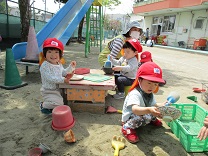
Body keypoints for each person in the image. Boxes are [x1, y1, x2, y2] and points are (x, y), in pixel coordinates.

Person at [121, 62, 166, 143]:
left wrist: (162, 104)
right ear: (140, 80)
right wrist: (149, 110)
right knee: (144, 115)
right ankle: (127, 128)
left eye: (155, 84)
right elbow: (135, 109)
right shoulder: (135, 93)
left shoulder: (149, 93)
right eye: (149, 83)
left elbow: (153, 104)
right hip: (131, 117)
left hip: (143, 113)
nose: (152, 87)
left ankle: (152, 119)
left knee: (154, 109)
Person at [39, 38, 76, 114]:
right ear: (45, 54)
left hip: (58, 89)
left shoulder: (58, 64)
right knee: (59, 104)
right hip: (49, 90)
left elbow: (63, 72)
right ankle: (43, 105)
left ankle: (52, 103)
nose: (53, 55)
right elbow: (50, 78)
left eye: (56, 52)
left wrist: (71, 67)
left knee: (67, 97)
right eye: (49, 52)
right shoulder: (45, 65)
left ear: (60, 55)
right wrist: (64, 80)